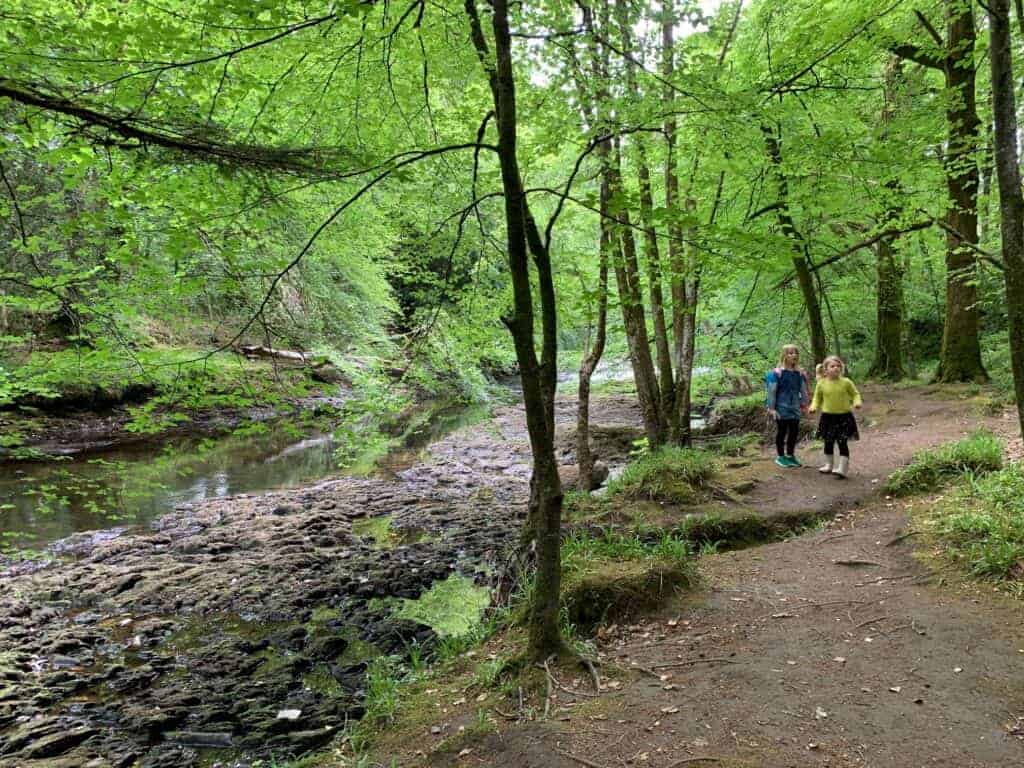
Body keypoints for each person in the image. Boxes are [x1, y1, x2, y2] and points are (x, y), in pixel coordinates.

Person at [809, 355, 862, 478]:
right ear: (826, 369)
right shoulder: (821, 383)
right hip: (828, 417)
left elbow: (855, 394)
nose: (836, 368)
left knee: (842, 442)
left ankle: (842, 468)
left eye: (838, 366)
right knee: (828, 442)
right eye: (832, 366)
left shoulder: (846, 382)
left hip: (844, 417)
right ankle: (829, 465)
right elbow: (817, 398)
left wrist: (857, 402)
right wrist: (813, 406)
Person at [764, 344, 811, 468]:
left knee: (794, 432)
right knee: (782, 431)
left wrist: (805, 405)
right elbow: (772, 391)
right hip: (781, 408)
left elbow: (803, 390)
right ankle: (780, 456)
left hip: (794, 408)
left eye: (795, 353)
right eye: (790, 353)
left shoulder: (799, 373)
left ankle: (790, 455)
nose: (794, 355)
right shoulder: (776, 373)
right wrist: (771, 408)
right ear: (784, 355)